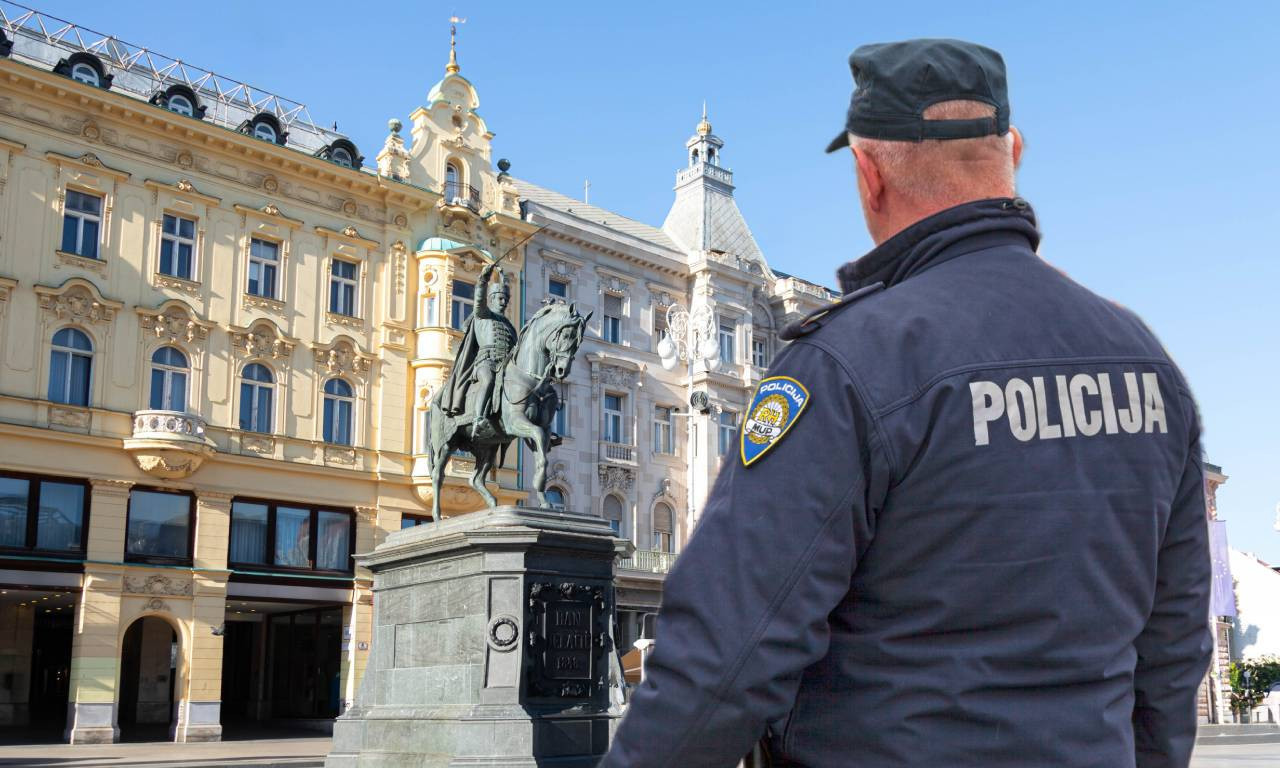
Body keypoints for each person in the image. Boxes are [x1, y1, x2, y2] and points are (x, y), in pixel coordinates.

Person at [601, 39, 1211, 768]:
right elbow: (1173, 647)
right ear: (1010, 149)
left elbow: (725, 657)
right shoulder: (1145, 361)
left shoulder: (848, 362)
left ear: (868, 174)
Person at [436, 262, 517, 428]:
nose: (504, 302)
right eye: (500, 298)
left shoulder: (509, 326)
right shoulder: (483, 315)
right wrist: (483, 280)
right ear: (492, 299)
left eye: (506, 299)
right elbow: (479, 300)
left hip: (505, 366)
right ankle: (478, 418)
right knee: (488, 380)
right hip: (485, 362)